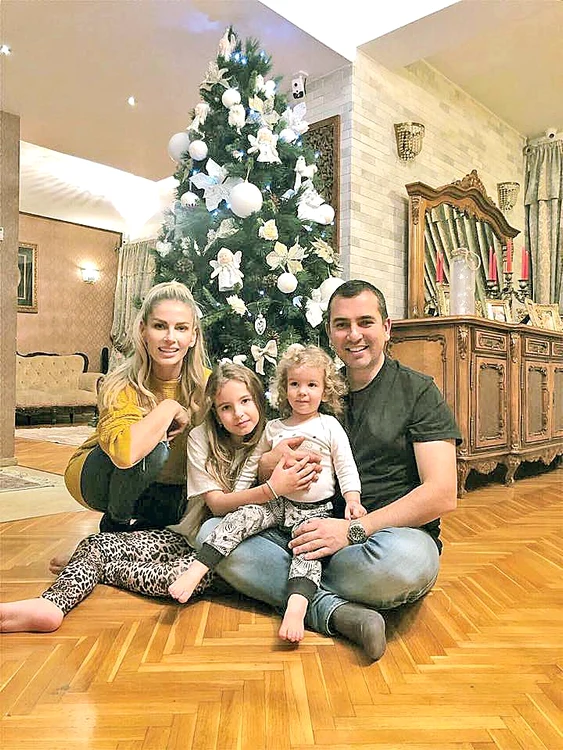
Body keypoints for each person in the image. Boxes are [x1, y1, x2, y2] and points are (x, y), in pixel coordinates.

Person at [196, 280, 461, 660]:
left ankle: (298, 592)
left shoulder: (419, 392)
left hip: (383, 540)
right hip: (305, 530)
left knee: (405, 565)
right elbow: (269, 452)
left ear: (387, 328)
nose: (354, 335)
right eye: (341, 324)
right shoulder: (313, 386)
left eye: (365, 322)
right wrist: (269, 464)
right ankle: (336, 613)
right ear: (330, 333)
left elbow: (441, 494)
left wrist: (353, 530)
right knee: (211, 532)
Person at [0, 363, 311, 634]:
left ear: (259, 400)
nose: (239, 414)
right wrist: (271, 487)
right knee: (95, 544)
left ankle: (97, 568)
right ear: (215, 414)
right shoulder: (202, 438)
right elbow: (216, 505)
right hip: (188, 537)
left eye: (245, 401)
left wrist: (270, 468)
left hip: (223, 557)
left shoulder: (275, 438)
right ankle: (52, 604)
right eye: (226, 407)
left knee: (169, 579)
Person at [168, 344, 366, 644]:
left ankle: (297, 610)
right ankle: (197, 569)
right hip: (277, 504)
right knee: (240, 518)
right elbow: (253, 464)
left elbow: (346, 466)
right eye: (295, 384)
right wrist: (239, 495)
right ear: (284, 389)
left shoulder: (330, 426)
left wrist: (353, 499)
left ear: (325, 390)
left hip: (314, 512)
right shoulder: (273, 428)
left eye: (312, 385)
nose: (302, 392)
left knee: (307, 553)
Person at [63, 280, 209, 533]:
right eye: (159, 326)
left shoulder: (209, 384)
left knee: (175, 518)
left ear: (193, 335)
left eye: (181, 328)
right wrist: (169, 407)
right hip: (100, 478)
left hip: (168, 488)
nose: (170, 338)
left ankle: (125, 535)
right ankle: (114, 525)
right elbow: (125, 453)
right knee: (154, 449)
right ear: (143, 330)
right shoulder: (120, 383)